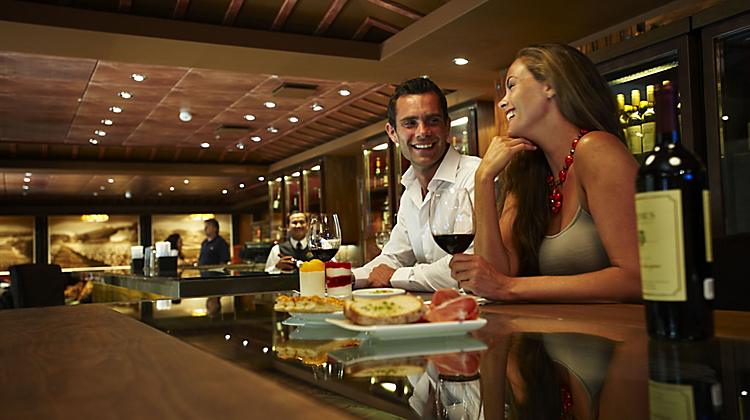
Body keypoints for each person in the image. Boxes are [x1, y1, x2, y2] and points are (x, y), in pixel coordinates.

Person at [449, 43, 641, 302]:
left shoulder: (597, 149)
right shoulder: (530, 171)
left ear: (550, 85)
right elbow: (493, 275)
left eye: (512, 85)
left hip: (624, 338)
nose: (503, 102)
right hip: (560, 335)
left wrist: (509, 287)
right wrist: (483, 178)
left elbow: (637, 278)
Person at [352, 77, 481, 291]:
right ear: (392, 132)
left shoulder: (476, 177)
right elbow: (393, 257)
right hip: (436, 313)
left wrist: (396, 276)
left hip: (483, 313)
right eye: (410, 123)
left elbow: (470, 264)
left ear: (447, 126)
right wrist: (347, 278)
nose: (423, 132)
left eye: (433, 121)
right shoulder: (410, 191)